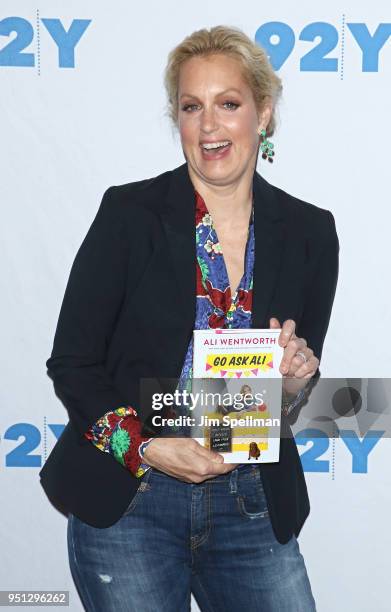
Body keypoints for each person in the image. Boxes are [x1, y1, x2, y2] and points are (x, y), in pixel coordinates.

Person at [40, 25, 339, 611]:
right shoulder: (129, 214)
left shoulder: (310, 233)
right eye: (191, 107)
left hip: (251, 501)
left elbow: (277, 394)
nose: (208, 126)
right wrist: (146, 446)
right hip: (131, 499)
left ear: (264, 113)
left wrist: (296, 382)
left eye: (228, 104)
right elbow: (73, 364)